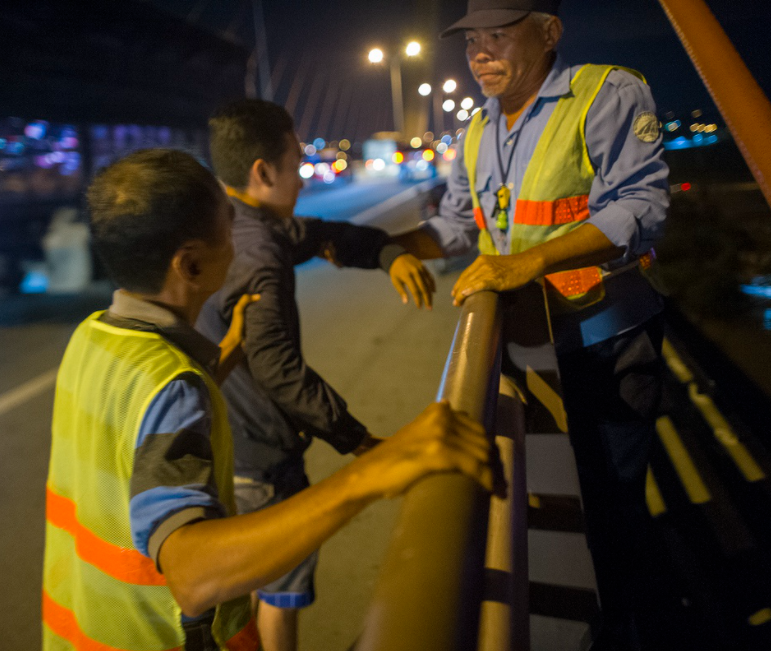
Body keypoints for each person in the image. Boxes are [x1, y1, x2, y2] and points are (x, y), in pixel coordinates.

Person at [41, 148, 494, 651]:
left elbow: (133, 431)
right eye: (227, 229)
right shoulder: (174, 387)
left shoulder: (91, 339)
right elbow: (192, 575)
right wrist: (372, 472)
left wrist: (226, 354)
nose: (240, 243)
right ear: (190, 264)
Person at [392, 1, 674, 648]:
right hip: (532, 349)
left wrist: (527, 264)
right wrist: (386, 245)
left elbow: (643, 205)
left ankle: (636, 626)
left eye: (498, 35)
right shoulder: (476, 130)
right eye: (471, 41)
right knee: (564, 497)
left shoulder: (605, 93)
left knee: (613, 504)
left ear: (549, 33)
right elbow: (462, 223)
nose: (480, 54)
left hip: (605, 339)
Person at [194, 99, 438, 651]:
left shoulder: (231, 227)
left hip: (227, 450)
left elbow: (318, 233)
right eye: (296, 160)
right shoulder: (260, 255)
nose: (303, 176)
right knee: (280, 596)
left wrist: (384, 253)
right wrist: (359, 442)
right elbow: (280, 370)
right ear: (262, 172)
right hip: (265, 463)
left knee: (246, 598)